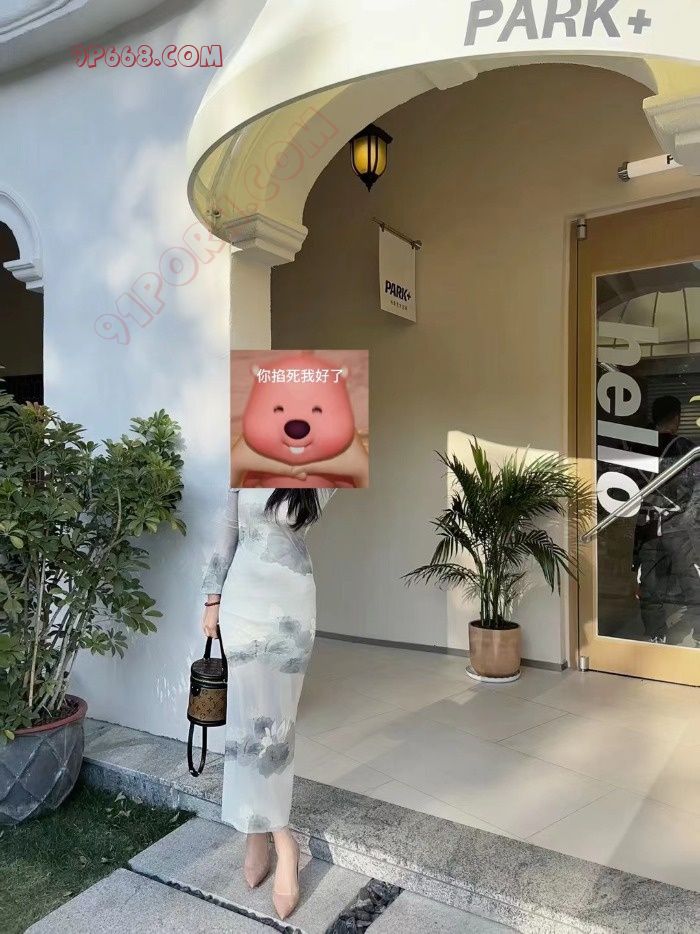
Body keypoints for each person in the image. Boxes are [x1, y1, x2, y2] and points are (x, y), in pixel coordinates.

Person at [201, 487, 335, 919]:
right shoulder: (246, 455)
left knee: (275, 729)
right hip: (242, 604)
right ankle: (258, 831)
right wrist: (212, 598)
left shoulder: (318, 468)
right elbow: (228, 529)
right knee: (245, 727)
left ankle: (281, 839)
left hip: (290, 610)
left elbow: (313, 507)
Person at [634, 396, 700, 646]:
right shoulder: (684, 448)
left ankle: (656, 634)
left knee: (649, 584)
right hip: (678, 525)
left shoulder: (639, 447)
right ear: (677, 417)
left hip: (647, 525)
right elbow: (694, 486)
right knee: (690, 581)